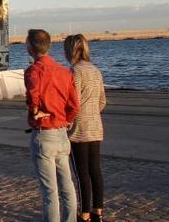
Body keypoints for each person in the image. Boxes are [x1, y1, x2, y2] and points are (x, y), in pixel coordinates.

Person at [24, 29, 79, 222]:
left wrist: (35, 112)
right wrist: (66, 119)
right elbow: (74, 105)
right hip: (62, 133)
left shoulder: (34, 71)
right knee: (67, 185)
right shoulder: (64, 72)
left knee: (49, 190)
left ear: (31, 47)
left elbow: (33, 96)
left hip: (44, 133)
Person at [64, 34, 106, 222]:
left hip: (79, 128)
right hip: (96, 126)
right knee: (95, 170)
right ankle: (98, 211)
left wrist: (67, 122)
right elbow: (102, 101)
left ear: (70, 50)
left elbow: (74, 102)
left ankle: (85, 214)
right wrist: (92, 112)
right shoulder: (96, 70)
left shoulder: (75, 71)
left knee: (82, 173)